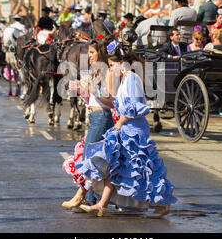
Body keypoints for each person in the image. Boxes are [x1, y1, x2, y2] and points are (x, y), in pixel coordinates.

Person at [76, 42, 177, 217]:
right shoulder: (126, 79)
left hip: (134, 131)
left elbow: (134, 107)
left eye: (112, 65)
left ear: (122, 63)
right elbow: (119, 102)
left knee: (145, 170)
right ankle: (102, 204)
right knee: (117, 167)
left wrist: (119, 123)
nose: (111, 69)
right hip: (126, 129)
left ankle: (164, 203)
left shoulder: (132, 79)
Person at [62, 39, 116, 209]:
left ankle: (83, 197)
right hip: (95, 117)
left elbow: (111, 101)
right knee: (92, 159)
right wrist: (80, 87)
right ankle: (91, 198)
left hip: (101, 117)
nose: (89, 56)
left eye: (92, 52)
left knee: (89, 159)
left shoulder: (107, 72)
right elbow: (94, 96)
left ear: (100, 53)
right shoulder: (97, 71)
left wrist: (92, 89)